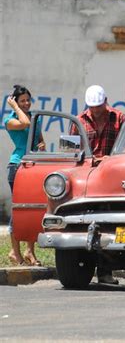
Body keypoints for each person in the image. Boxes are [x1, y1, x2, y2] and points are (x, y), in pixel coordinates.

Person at [71, 85, 125, 284]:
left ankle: (105, 272)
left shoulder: (119, 118)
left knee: (110, 223)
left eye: (99, 106)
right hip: (88, 179)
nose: (96, 111)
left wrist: (110, 160)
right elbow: (72, 150)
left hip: (112, 178)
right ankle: (79, 266)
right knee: (83, 222)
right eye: (92, 107)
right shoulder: (79, 121)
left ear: (106, 102)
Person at [4, 85, 45, 266]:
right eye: (22, 101)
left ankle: (30, 251)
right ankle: (15, 251)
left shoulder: (34, 117)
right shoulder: (10, 120)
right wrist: (15, 108)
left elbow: (40, 139)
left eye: (28, 100)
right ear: (15, 102)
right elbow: (26, 124)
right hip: (18, 167)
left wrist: (42, 146)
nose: (27, 103)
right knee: (18, 211)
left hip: (33, 167)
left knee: (32, 211)